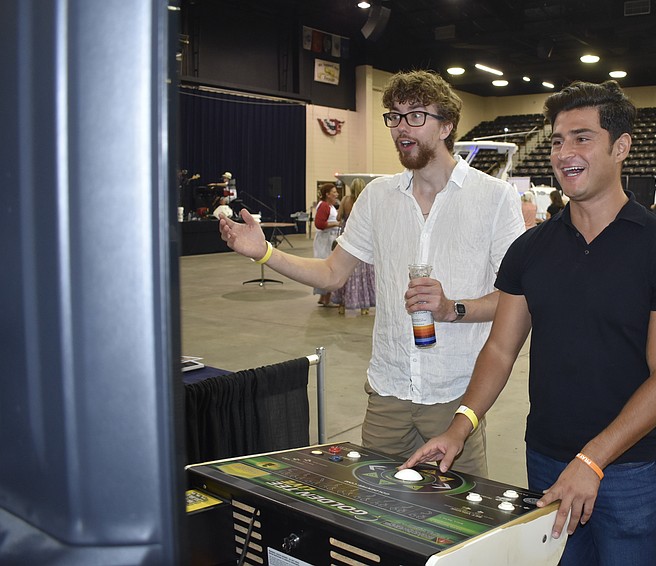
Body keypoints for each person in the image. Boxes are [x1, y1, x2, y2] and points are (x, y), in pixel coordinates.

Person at [401, 80, 656, 565]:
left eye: (582, 138)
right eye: (558, 140)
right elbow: (500, 350)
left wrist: (592, 460)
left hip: (627, 469)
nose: (565, 153)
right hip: (546, 459)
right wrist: (459, 428)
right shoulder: (531, 249)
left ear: (620, 146)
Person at [219, 70, 524, 476]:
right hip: (387, 394)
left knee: (456, 524)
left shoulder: (495, 198)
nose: (401, 128)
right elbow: (332, 274)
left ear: (447, 125)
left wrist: (453, 308)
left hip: (455, 395)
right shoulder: (378, 197)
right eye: (394, 116)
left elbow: (517, 299)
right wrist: (265, 253)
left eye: (416, 116)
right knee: (378, 518)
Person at [331, 178, 376, 315]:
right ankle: (364, 307)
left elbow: (338, 218)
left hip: (349, 238)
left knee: (345, 271)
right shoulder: (366, 200)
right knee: (364, 274)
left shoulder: (345, 200)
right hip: (364, 239)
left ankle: (342, 305)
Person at [313, 183, 341, 307]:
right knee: (327, 267)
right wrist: (337, 223)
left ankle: (325, 296)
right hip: (325, 241)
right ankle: (326, 297)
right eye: (334, 192)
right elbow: (320, 224)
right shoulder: (324, 206)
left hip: (328, 240)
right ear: (327, 194)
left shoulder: (330, 206)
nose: (336, 194)